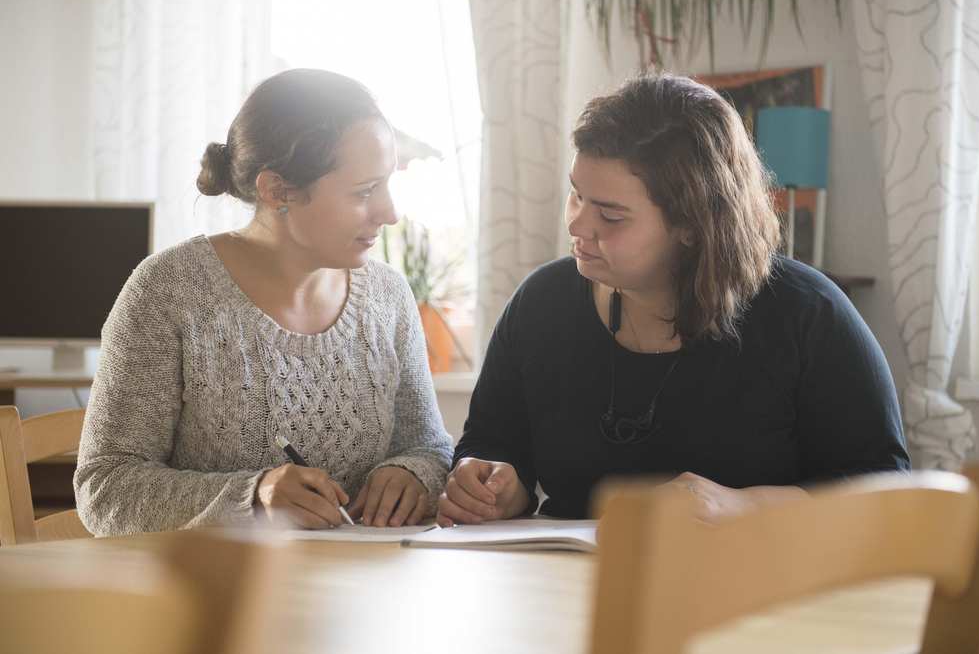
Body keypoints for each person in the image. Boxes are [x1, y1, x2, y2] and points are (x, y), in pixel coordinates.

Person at [438, 73, 909, 526]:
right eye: (577, 196)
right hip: (566, 592)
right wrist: (493, 487)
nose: (578, 225)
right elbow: (492, 443)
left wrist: (743, 508)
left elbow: (886, 489)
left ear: (691, 226)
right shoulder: (542, 304)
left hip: (761, 595)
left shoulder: (808, 315)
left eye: (611, 215)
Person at [75, 69, 453, 536]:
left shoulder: (388, 296)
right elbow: (105, 487)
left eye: (386, 185)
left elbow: (429, 447)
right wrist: (252, 496)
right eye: (363, 192)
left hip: (363, 587)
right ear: (277, 191)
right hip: (213, 599)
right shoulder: (168, 292)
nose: (390, 212)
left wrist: (412, 473)